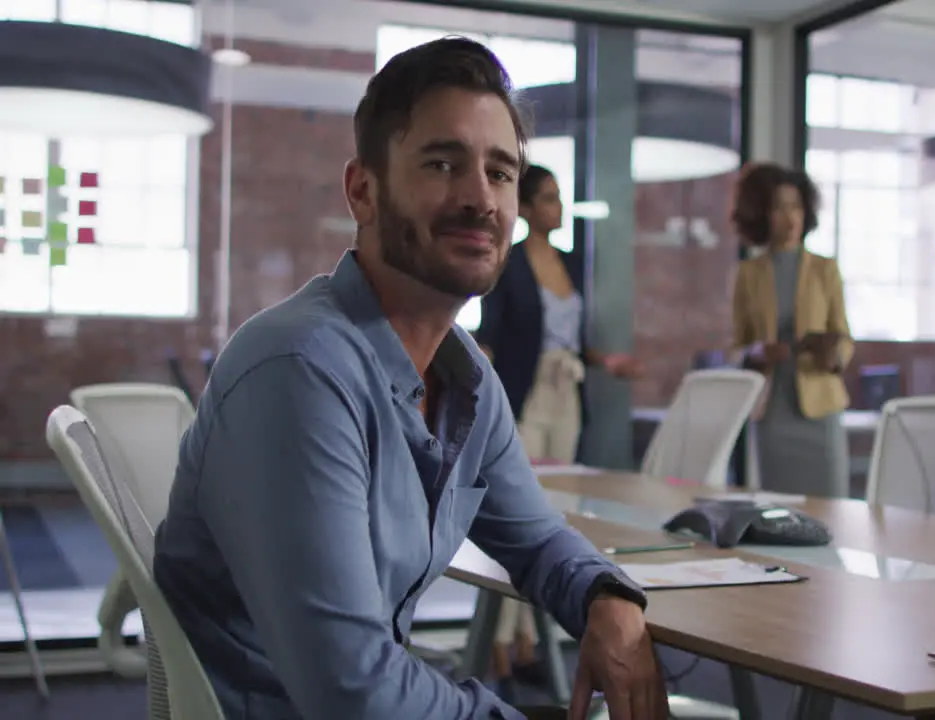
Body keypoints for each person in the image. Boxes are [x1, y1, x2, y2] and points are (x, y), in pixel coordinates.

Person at [152, 37, 668, 720]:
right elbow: (353, 690)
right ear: (363, 191)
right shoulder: (300, 370)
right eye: (442, 163)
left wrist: (607, 598)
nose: (481, 199)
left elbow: (538, 537)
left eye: (501, 172)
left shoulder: (462, 377)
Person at [473, 165, 641, 690]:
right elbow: (492, 333)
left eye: (559, 197)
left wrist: (605, 362)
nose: (558, 207)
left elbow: (569, 335)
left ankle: (528, 640)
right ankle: (499, 640)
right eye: (548, 198)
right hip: (525, 394)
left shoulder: (570, 263)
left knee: (555, 511)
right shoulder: (510, 262)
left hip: (566, 391)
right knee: (519, 509)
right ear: (523, 207)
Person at [729, 163, 854, 498]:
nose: (790, 217)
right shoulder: (749, 274)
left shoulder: (824, 269)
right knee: (778, 509)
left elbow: (844, 336)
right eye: (779, 208)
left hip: (819, 406)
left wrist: (832, 352)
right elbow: (736, 346)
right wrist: (755, 352)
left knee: (832, 509)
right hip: (773, 411)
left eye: (796, 206)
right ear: (761, 214)